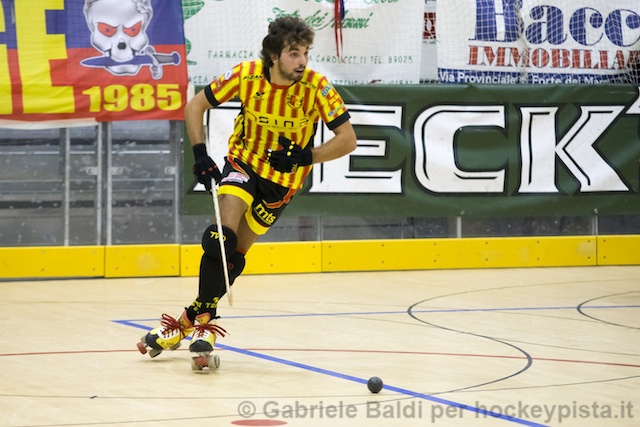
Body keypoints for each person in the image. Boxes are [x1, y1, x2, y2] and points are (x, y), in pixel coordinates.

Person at [137, 16, 357, 363]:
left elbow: (348, 140)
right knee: (220, 239)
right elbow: (195, 106)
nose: (302, 61)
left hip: (282, 185)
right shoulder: (246, 75)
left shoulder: (316, 86)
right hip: (244, 163)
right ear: (274, 56)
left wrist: (306, 156)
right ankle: (206, 325)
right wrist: (200, 153)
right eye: (294, 53)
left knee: (233, 257)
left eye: (305, 53)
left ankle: (188, 320)